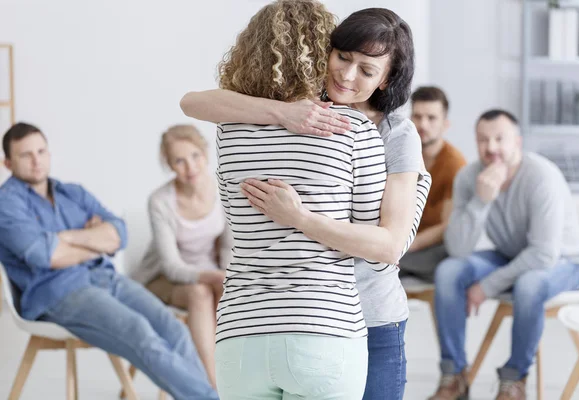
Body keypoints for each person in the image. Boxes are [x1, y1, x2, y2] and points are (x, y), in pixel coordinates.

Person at [181, 5, 431, 400]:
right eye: (343, 57)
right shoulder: (297, 108)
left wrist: (299, 217)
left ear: (386, 81)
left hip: (372, 316)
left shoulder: (395, 135)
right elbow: (193, 103)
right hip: (302, 321)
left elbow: (388, 245)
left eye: (367, 71)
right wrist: (284, 113)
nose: (347, 75)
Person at [0, 123, 219, 400]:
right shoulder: (7, 203)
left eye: (41, 151)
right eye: (25, 155)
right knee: (141, 334)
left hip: (104, 278)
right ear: (8, 163)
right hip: (58, 292)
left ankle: (210, 394)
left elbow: (119, 234)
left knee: (172, 328)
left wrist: (63, 238)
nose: (36, 160)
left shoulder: (72, 192)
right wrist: (93, 239)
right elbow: (46, 256)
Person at [428, 110, 579, 400]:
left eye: (499, 139)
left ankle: (514, 381)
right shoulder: (469, 176)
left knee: (529, 284)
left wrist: (485, 287)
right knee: (449, 271)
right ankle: (454, 376)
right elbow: (458, 249)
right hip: (511, 255)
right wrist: (481, 201)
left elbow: (542, 255)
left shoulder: (542, 176)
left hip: (564, 261)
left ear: (517, 141)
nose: (491, 148)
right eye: (483, 140)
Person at [133, 124, 231, 389]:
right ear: (169, 164)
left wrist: (226, 278)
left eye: (195, 156)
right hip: (164, 280)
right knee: (200, 291)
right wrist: (215, 276)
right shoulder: (160, 201)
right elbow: (172, 267)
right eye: (179, 160)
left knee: (231, 290)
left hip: (211, 276)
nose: (190, 167)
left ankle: (236, 378)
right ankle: (214, 386)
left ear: (205, 153)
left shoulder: (224, 190)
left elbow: (227, 251)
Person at [398, 86, 466, 282]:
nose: (423, 125)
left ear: (445, 124)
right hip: (403, 237)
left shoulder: (454, 164)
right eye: (417, 117)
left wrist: (406, 245)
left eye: (431, 118)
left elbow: (447, 226)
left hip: (432, 247)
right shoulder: (403, 153)